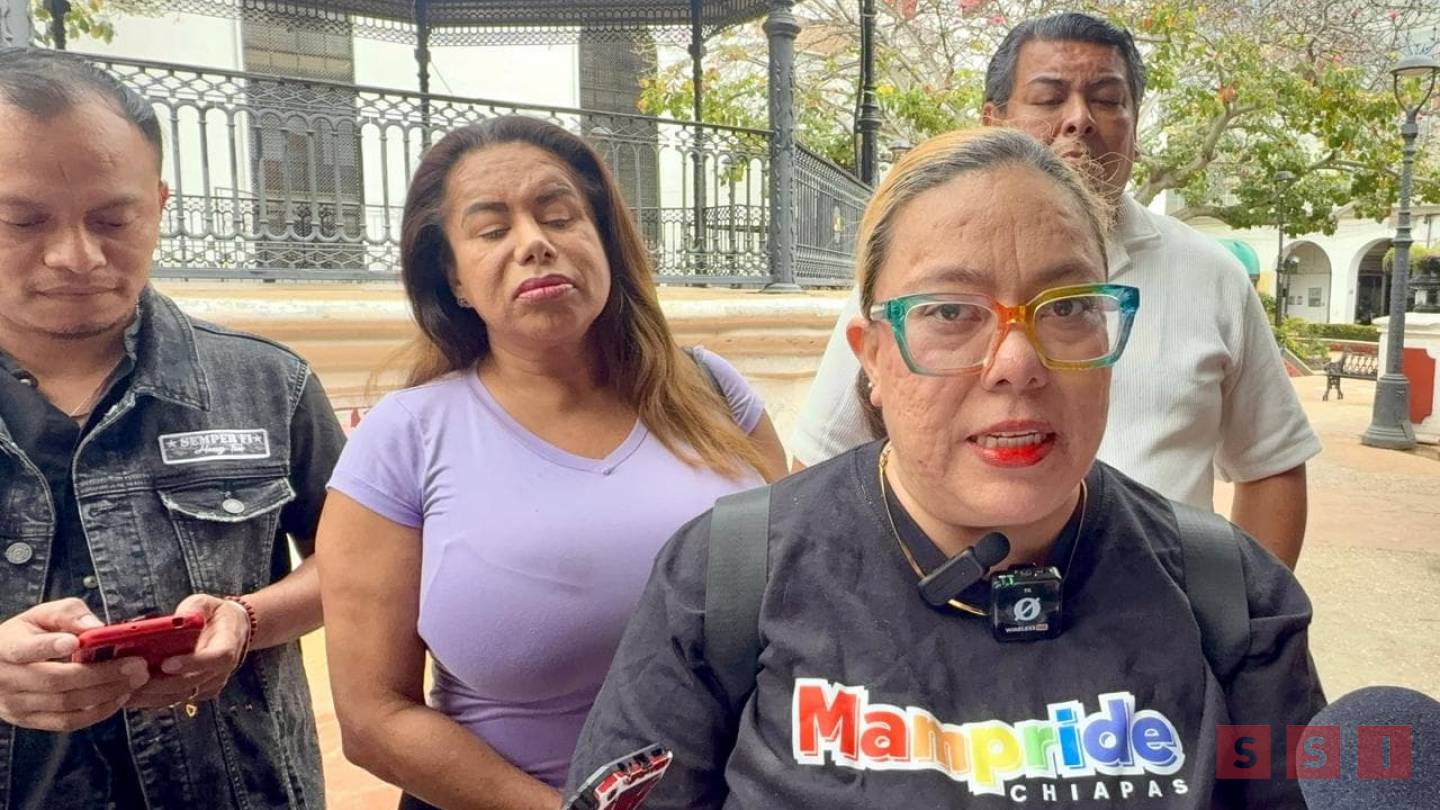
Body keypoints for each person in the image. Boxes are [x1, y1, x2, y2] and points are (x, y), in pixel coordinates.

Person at [569, 127, 1324, 809]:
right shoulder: (726, 578)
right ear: (871, 358)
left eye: (1066, 307)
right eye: (951, 312)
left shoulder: (1230, 595)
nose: (1018, 363)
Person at [316, 115, 789, 810]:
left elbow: (807, 593)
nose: (534, 243)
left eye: (560, 216)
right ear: (453, 278)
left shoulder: (712, 391)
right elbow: (372, 717)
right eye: (491, 230)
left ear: (605, 241)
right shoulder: (405, 439)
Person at [790, 13, 1320, 568]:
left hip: (1157, 610)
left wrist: (1238, 611)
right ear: (993, 121)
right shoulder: (915, 276)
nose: (1079, 120)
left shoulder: (1212, 275)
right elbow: (821, 467)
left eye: (1108, 100)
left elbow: (1271, 461)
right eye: (1048, 98)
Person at [0, 49, 344, 809]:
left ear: (158, 204)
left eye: (112, 219)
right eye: (21, 220)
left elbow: (357, 565)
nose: (75, 256)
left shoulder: (270, 385)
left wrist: (249, 619)